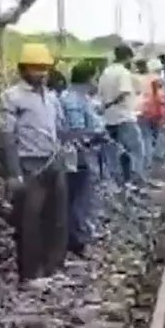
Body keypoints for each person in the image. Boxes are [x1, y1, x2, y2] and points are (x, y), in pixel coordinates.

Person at [0, 43, 70, 282]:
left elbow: (60, 129)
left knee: (57, 218)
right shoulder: (12, 97)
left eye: (45, 68)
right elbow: (6, 136)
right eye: (35, 68)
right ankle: (30, 275)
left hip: (54, 162)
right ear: (23, 70)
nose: (41, 73)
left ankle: (53, 268)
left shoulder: (51, 97)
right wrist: (13, 172)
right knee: (30, 222)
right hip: (30, 164)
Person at [60, 63, 106, 259]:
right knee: (80, 197)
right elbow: (77, 132)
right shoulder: (73, 100)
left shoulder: (80, 97)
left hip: (85, 152)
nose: (96, 82)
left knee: (83, 196)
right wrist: (94, 136)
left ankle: (82, 233)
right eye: (95, 78)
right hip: (79, 155)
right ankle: (78, 240)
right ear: (88, 79)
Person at [96, 44, 149, 189]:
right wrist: (110, 103)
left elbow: (99, 93)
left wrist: (106, 106)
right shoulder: (123, 73)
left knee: (116, 152)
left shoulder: (106, 72)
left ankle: (118, 183)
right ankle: (133, 181)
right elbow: (124, 92)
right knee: (136, 150)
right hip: (124, 116)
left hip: (109, 118)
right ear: (127, 57)